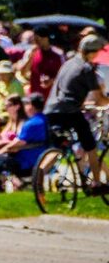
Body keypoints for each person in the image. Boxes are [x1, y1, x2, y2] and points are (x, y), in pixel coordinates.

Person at [43, 35, 106, 193]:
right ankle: (97, 184)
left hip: (51, 110)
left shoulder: (68, 63)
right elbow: (99, 98)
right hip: (70, 111)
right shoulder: (87, 68)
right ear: (92, 52)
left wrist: (83, 104)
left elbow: (66, 90)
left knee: (58, 148)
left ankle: (38, 176)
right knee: (90, 146)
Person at [0, 94, 43, 194]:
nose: (6, 108)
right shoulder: (11, 122)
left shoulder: (24, 123)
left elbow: (18, 143)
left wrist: (2, 147)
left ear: (17, 106)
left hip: (17, 157)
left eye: (8, 105)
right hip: (9, 153)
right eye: (5, 105)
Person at [25, 29, 63, 97]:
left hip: (52, 96)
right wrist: (30, 58)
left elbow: (64, 75)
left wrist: (51, 80)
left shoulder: (58, 54)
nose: (36, 42)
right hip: (35, 96)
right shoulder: (31, 52)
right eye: (35, 39)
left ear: (46, 38)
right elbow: (23, 73)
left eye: (38, 39)